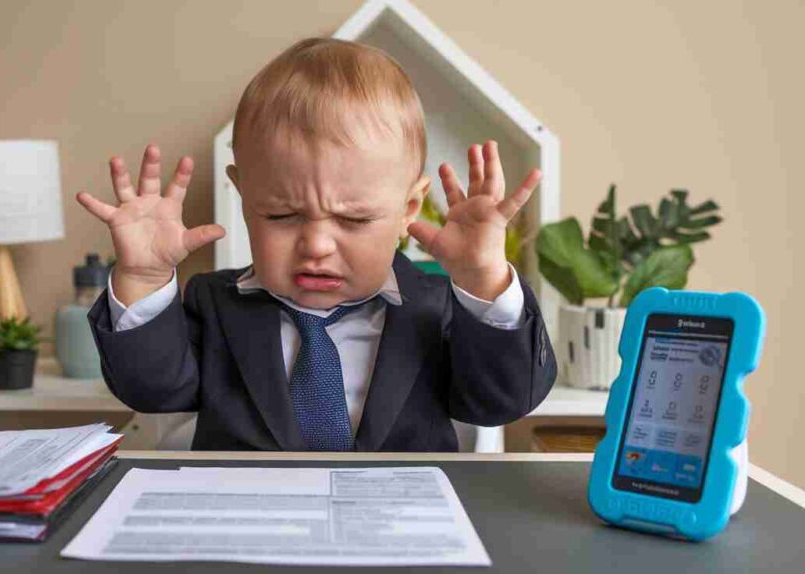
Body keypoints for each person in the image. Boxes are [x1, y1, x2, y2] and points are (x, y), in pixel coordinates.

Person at [76, 38, 556, 451]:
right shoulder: (213, 304)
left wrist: (484, 281)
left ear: (409, 210)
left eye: (354, 218)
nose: (317, 245)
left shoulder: (439, 308)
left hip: (396, 528)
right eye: (281, 215)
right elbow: (151, 391)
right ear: (244, 196)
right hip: (250, 526)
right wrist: (142, 279)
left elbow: (503, 400)